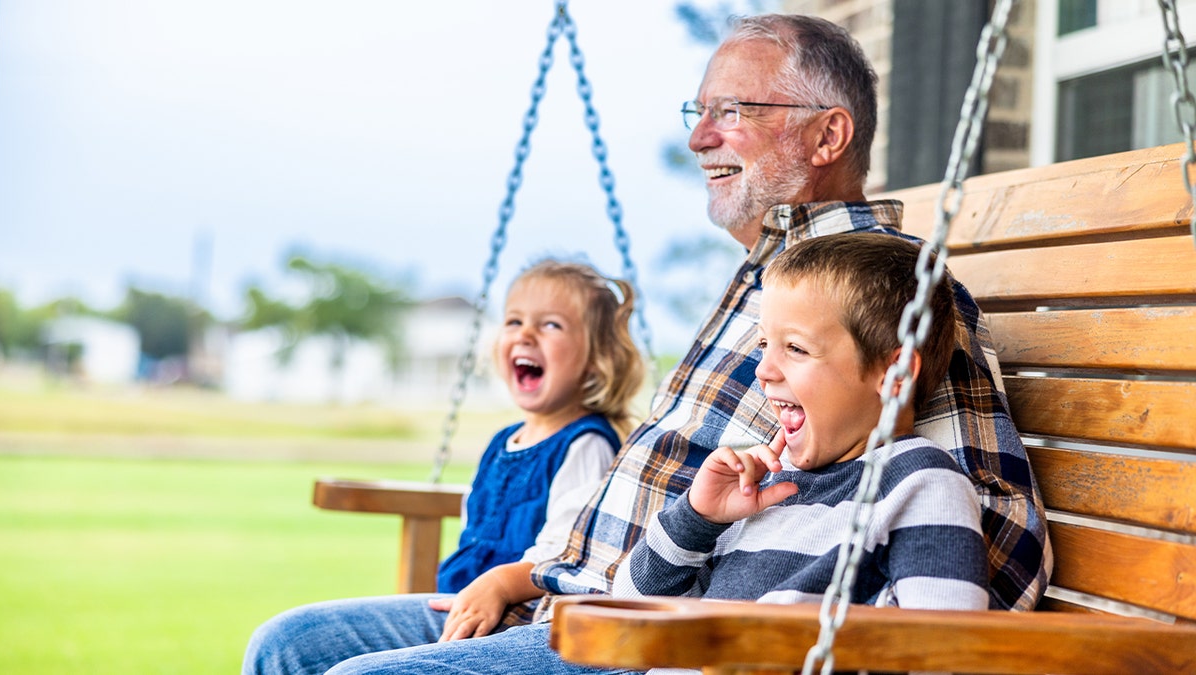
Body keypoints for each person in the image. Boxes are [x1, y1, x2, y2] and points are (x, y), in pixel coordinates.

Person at [243, 13, 1050, 675]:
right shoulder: (770, 284)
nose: (700, 138)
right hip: (577, 595)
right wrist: (531, 572)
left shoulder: (881, 295)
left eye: (733, 111)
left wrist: (799, 630)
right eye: (696, 113)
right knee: (286, 644)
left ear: (827, 135)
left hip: (653, 639)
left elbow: (995, 539)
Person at [243, 259, 644, 672]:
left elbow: (567, 557)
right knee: (284, 640)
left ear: (598, 358)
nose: (524, 334)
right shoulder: (503, 442)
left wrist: (500, 584)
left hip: (523, 620)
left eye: (551, 325)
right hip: (464, 608)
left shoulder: (588, 444)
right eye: (513, 321)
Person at [612, 233, 989, 619]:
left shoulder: (921, 485)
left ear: (894, 375)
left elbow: (948, 647)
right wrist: (696, 518)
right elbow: (627, 612)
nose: (762, 370)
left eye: (795, 348)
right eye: (763, 345)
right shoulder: (765, 487)